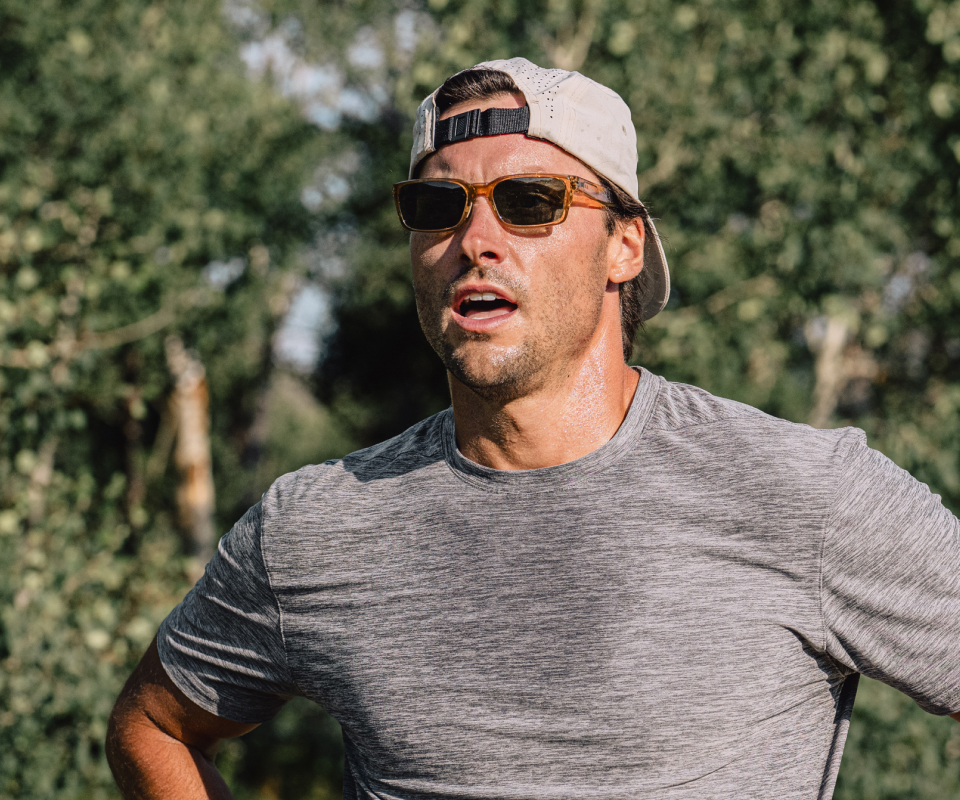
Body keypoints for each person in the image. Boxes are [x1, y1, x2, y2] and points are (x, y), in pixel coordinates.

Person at [106, 57, 960, 800]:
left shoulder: (803, 494)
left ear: (623, 245)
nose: (474, 238)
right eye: (437, 205)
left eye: (528, 200)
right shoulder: (317, 526)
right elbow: (155, 727)